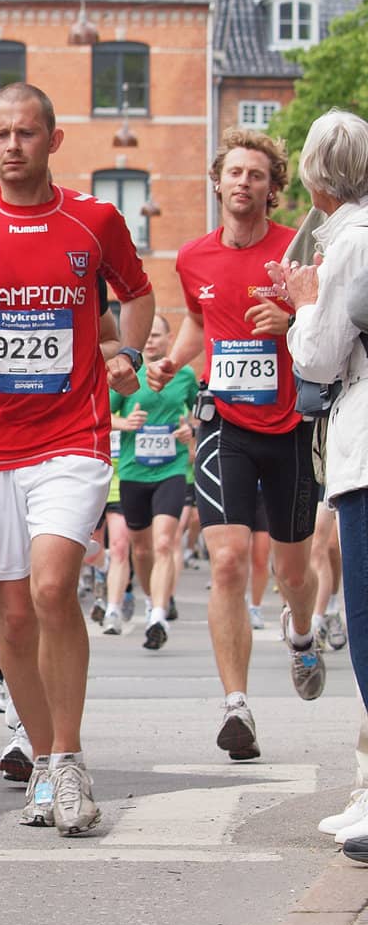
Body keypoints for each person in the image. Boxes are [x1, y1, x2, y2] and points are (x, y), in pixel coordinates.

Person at [0, 82, 153, 837]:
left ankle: (71, 760)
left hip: (71, 434)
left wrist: (128, 352)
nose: (13, 147)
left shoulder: (95, 219)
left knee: (50, 588)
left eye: (27, 134)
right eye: (0, 135)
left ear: (53, 139)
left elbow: (137, 295)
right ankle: (42, 762)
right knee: (10, 610)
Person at [149, 128, 320, 763]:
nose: (243, 183)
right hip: (225, 421)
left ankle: (300, 634)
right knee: (226, 562)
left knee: (292, 571)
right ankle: (236, 706)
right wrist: (171, 360)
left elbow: (330, 323)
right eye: (234, 173)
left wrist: (294, 316)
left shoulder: (297, 252)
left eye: (256, 175)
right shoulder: (194, 257)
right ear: (218, 182)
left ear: (273, 189)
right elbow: (199, 317)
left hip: (291, 425)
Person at [263, 110, 368, 841]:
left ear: (313, 173)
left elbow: (321, 358)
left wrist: (302, 308)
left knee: (365, 627)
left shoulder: (350, 245)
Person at [112, 314, 196, 651]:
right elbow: (103, 415)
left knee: (164, 543)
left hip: (171, 470)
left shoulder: (184, 375)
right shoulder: (127, 376)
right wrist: (125, 422)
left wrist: (191, 430)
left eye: (157, 335)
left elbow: (198, 415)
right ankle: (152, 600)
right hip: (133, 471)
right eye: (146, 336)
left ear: (168, 338)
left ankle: (158, 615)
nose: (150, 342)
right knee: (142, 549)